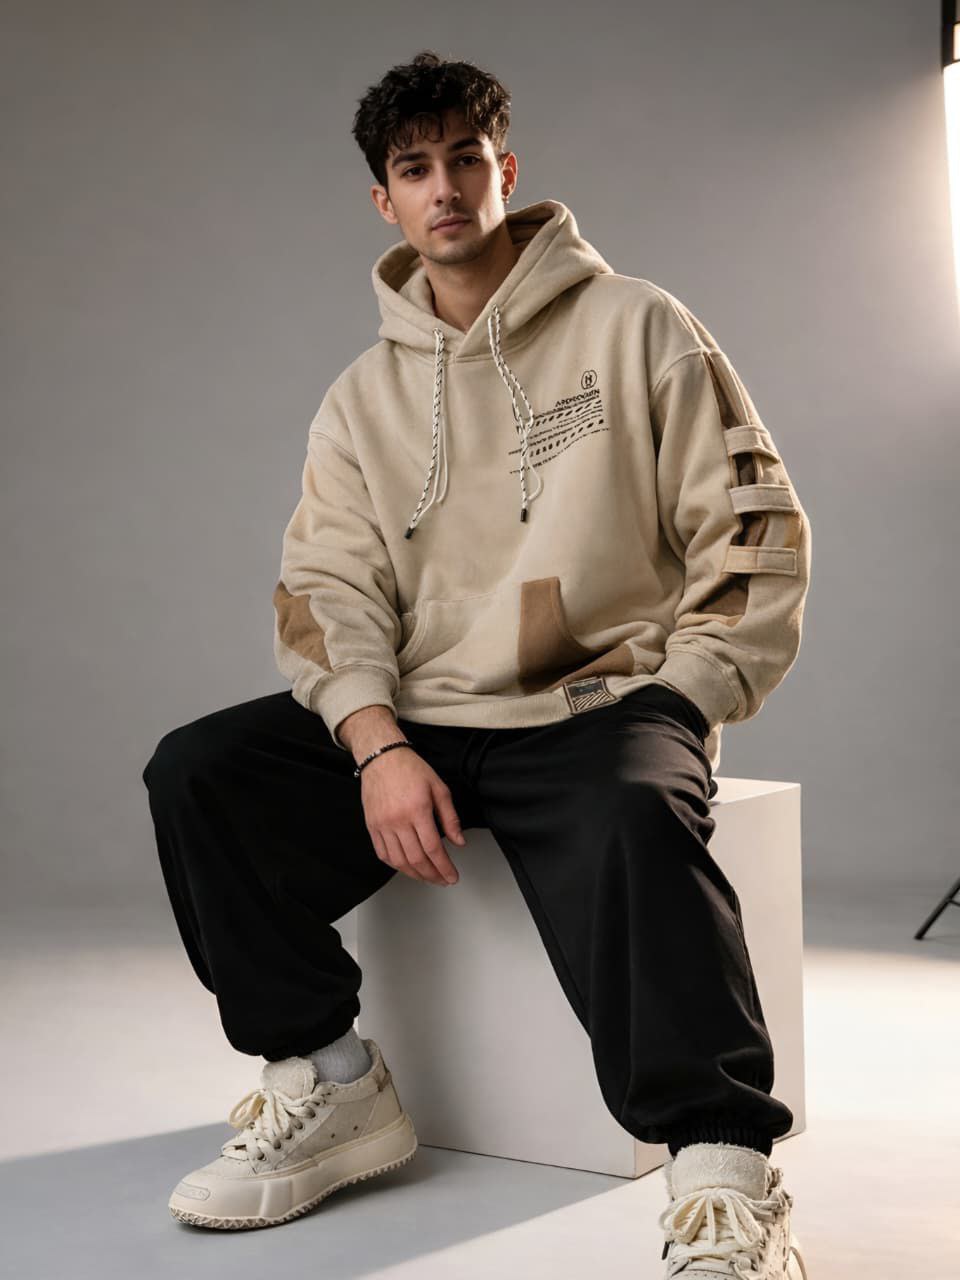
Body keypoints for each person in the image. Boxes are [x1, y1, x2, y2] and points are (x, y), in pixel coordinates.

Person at [141, 48, 811, 1277]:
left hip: (602, 699)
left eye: (465, 159)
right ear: (384, 200)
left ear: (506, 170)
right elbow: (327, 592)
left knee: (639, 806)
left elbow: (751, 530)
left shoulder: (637, 325)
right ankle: (334, 1078)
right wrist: (376, 743)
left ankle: (723, 1166)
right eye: (414, 168)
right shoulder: (361, 399)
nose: (444, 186)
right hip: (427, 717)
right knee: (200, 772)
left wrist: (687, 698)